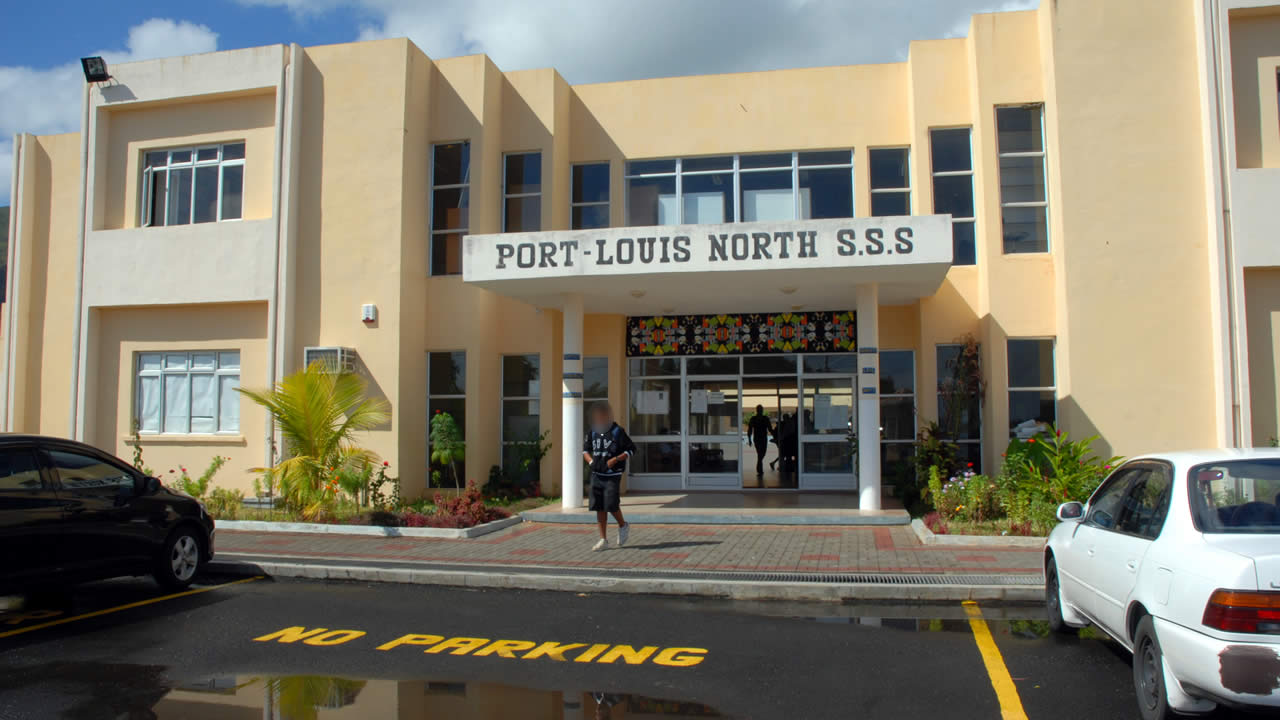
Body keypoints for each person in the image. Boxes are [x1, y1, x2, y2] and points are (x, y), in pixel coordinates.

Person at [582, 401, 636, 551]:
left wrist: (616, 459)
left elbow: (631, 450)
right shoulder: (593, 431)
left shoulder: (618, 431)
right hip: (597, 474)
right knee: (599, 506)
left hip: (612, 475)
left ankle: (623, 525)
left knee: (611, 504)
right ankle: (603, 539)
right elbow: (585, 450)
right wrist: (591, 462)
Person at [747, 404, 773, 476]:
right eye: (759, 409)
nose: (760, 411)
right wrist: (749, 439)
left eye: (761, 409)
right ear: (757, 410)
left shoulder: (765, 418)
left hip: (763, 438)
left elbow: (770, 428)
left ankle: (759, 466)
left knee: (762, 453)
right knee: (760, 453)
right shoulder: (754, 419)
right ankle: (759, 469)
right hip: (758, 438)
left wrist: (775, 434)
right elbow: (750, 429)